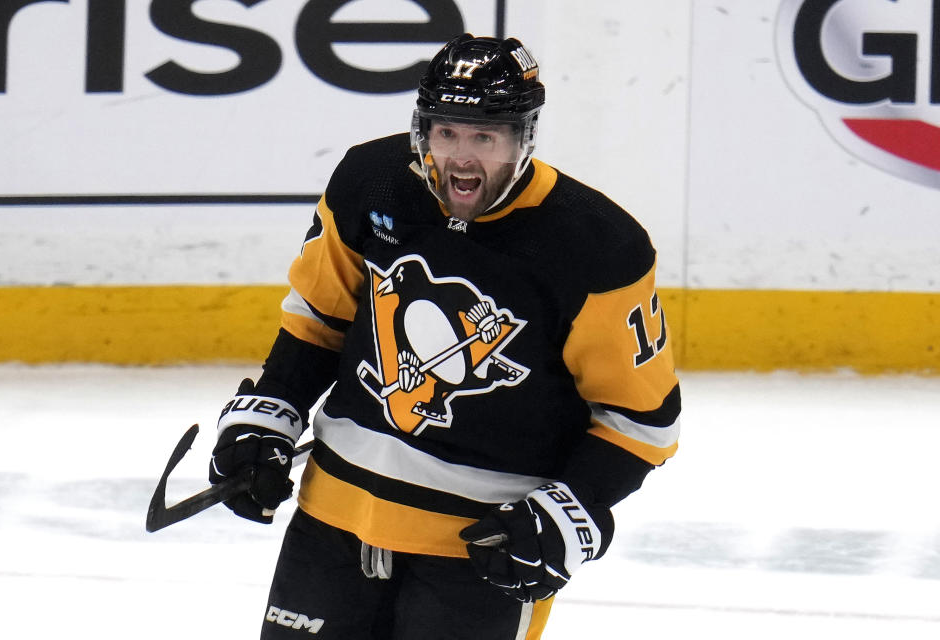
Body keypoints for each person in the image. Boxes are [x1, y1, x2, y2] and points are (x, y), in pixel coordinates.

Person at [208, 33, 681, 639]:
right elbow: (320, 318)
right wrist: (270, 411)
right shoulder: (371, 182)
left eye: (485, 137)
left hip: (477, 551)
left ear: (523, 139)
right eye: (447, 132)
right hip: (330, 524)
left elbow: (641, 421)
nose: (461, 156)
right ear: (421, 128)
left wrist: (573, 509)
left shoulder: (595, 246)